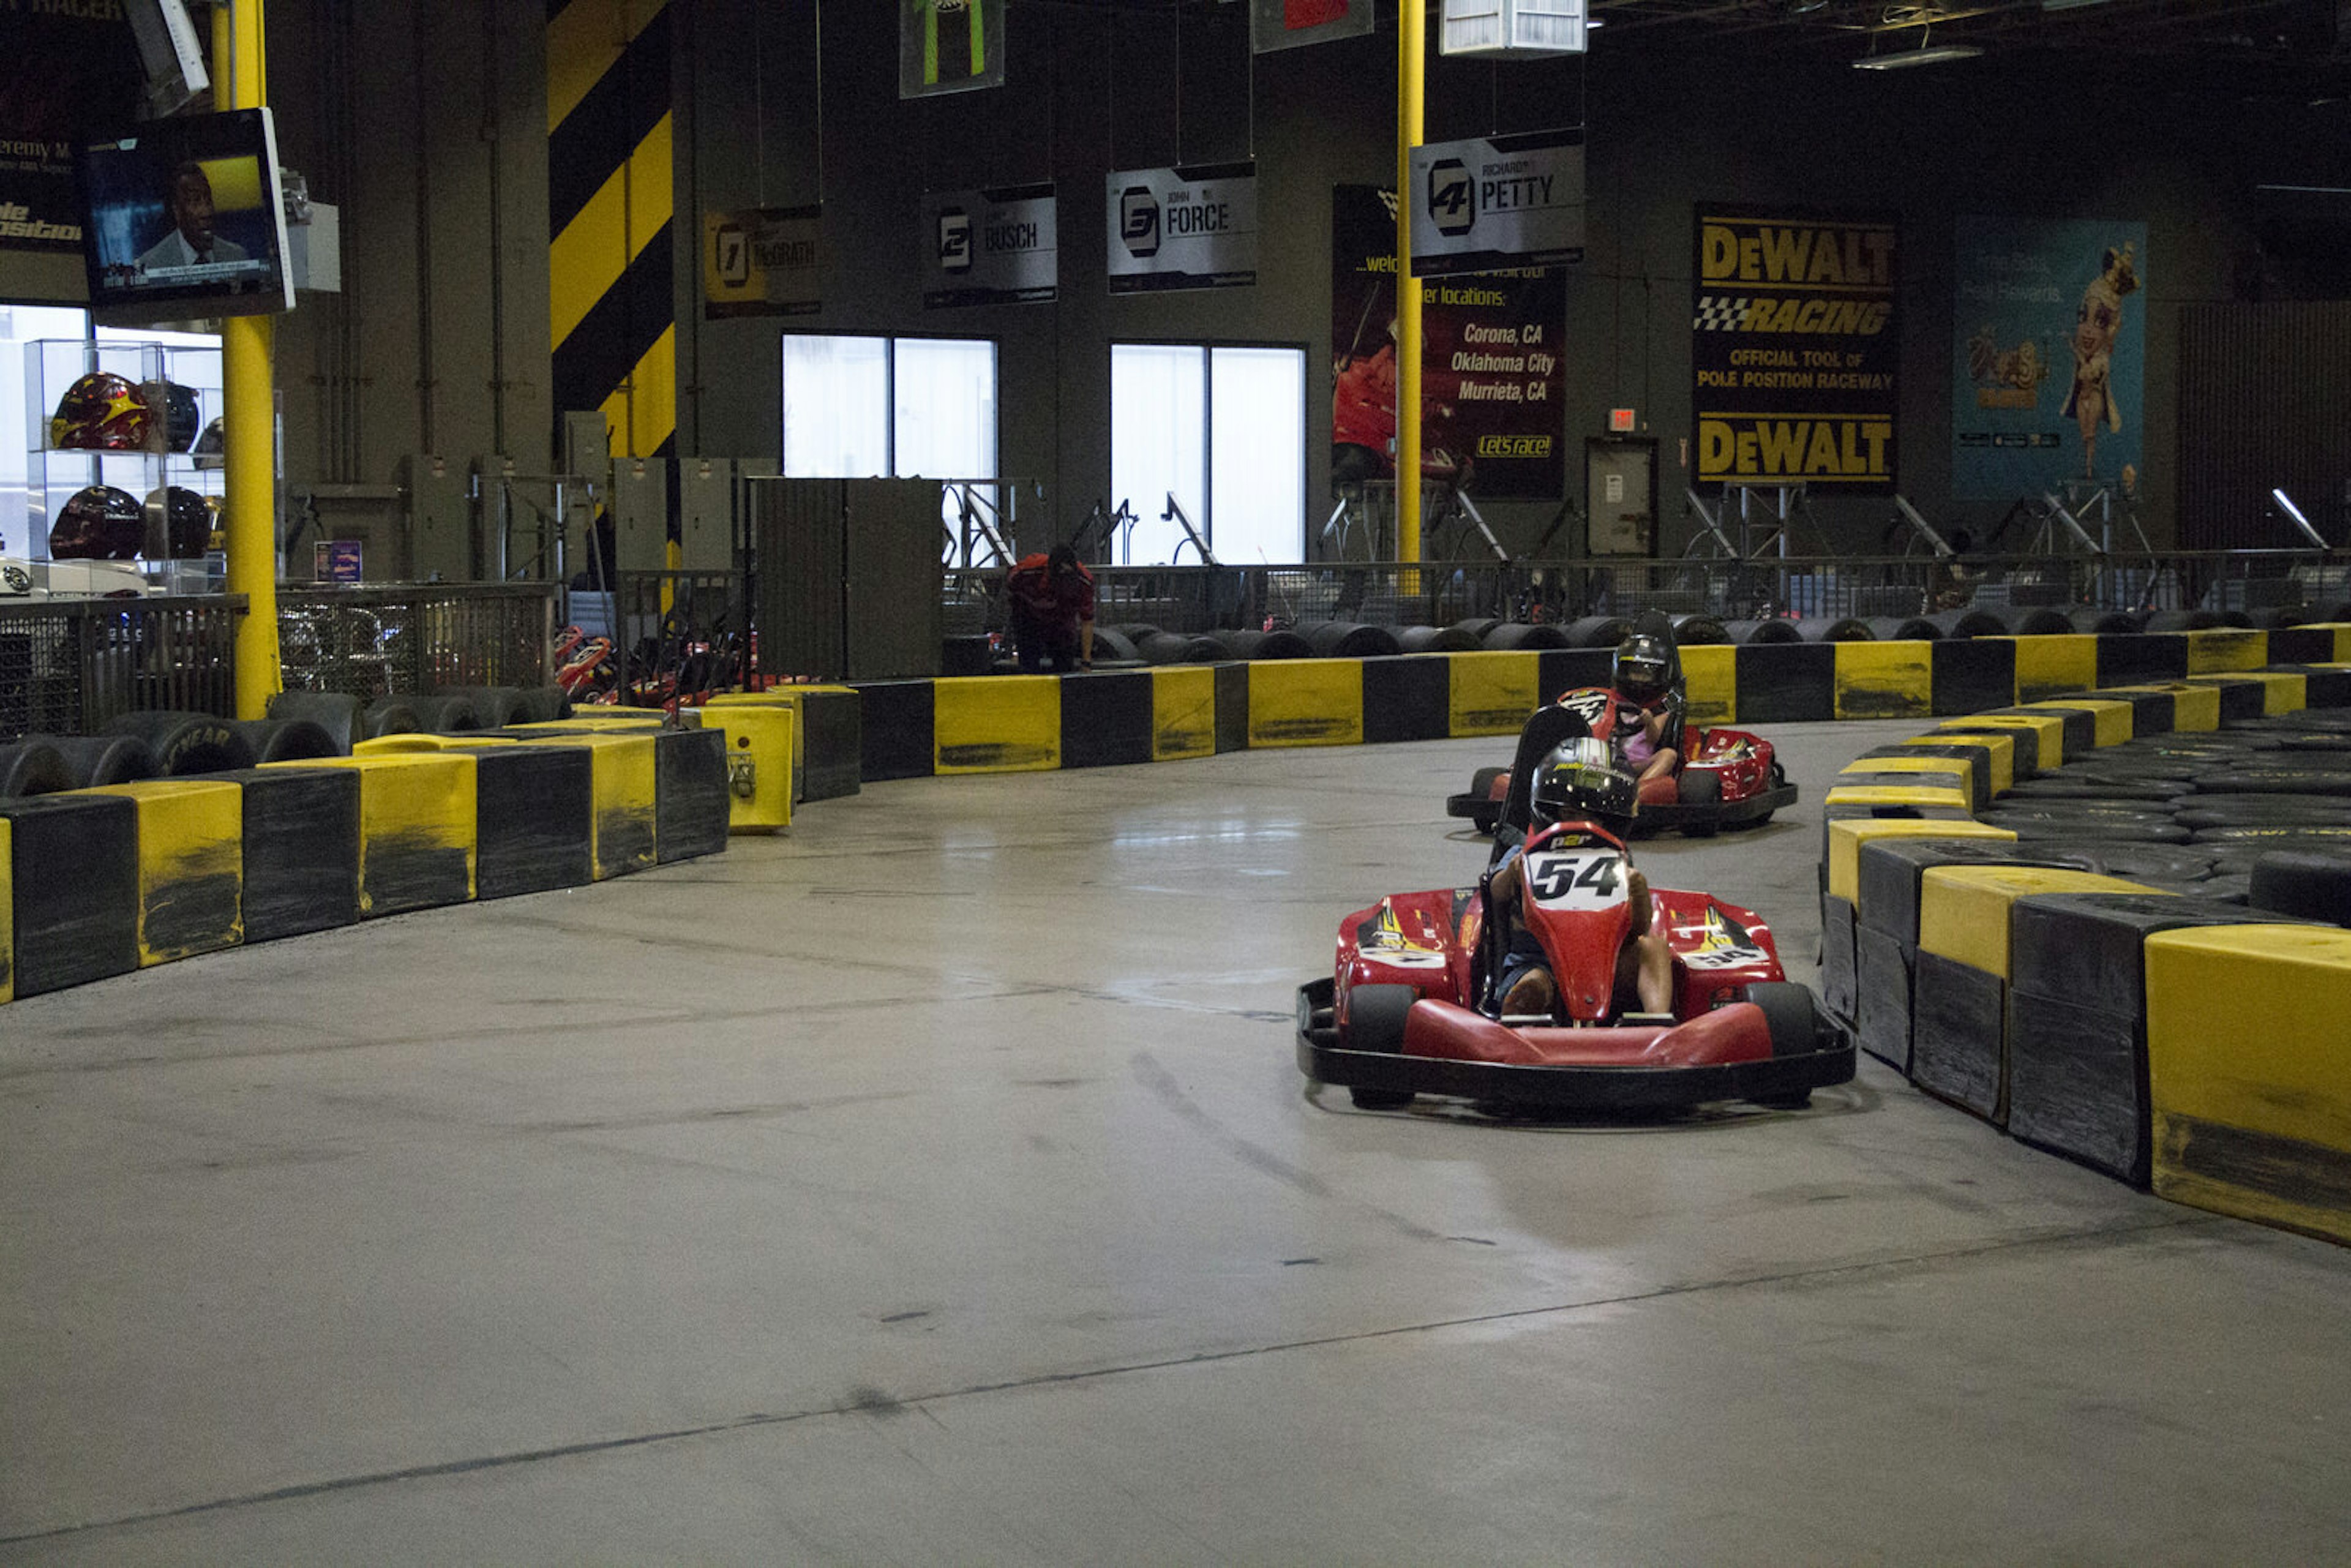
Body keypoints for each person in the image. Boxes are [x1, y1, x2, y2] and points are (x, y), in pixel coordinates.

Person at [1485, 738, 1673, 1021]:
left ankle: (1658, 1026)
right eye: (1573, 815)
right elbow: (1495, 894)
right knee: (1533, 986)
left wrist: (1639, 893)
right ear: (1555, 812)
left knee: (1653, 947)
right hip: (1538, 963)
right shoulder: (1525, 852)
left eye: (1592, 817)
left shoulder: (1617, 858)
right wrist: (1514, 872)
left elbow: (1637, 931)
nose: (1584, 825)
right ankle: (1524, 1019)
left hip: (1605, 967)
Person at [135, 163, 249, 272]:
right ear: (177, 210)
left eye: (208, 200)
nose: (207, 212)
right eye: (195, 202)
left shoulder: (237, 257)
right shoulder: (151, 266)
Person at [1004, 542, 1095, 674]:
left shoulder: (1084, 581)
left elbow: (1087, 621)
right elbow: (1011, 587)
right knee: (1029, 662)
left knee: (1064, 662)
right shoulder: (1028, 570)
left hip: (1061, 622)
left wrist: (1086, 662)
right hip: (1029, 617)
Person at [1609, 632, 1684, 790]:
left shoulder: (1661, 708)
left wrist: (1649, 721)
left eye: (1646, 675)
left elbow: (1653, 739)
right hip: (1608, 759)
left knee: (1669, 755)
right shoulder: (1610, 700)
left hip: (1639, 764)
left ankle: (1637, 791)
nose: (1639, 679)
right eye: (1635, 672)